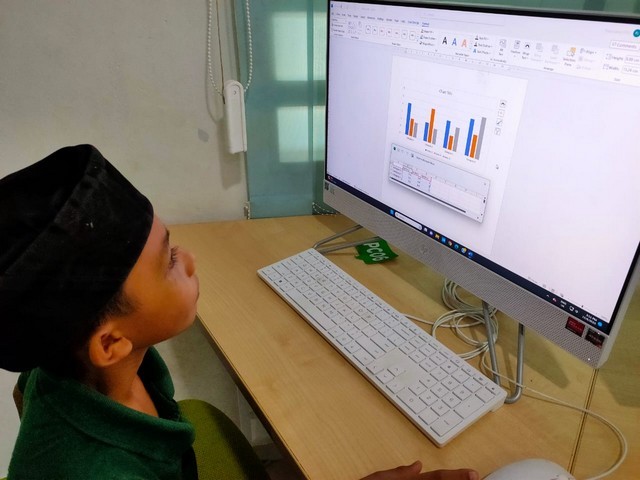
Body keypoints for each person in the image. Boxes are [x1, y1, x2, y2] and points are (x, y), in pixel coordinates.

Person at [0, 145, 479, 480]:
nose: (190, 259)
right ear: (109, 343)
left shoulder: (67, 369)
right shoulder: (102, 472)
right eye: (169, 261)